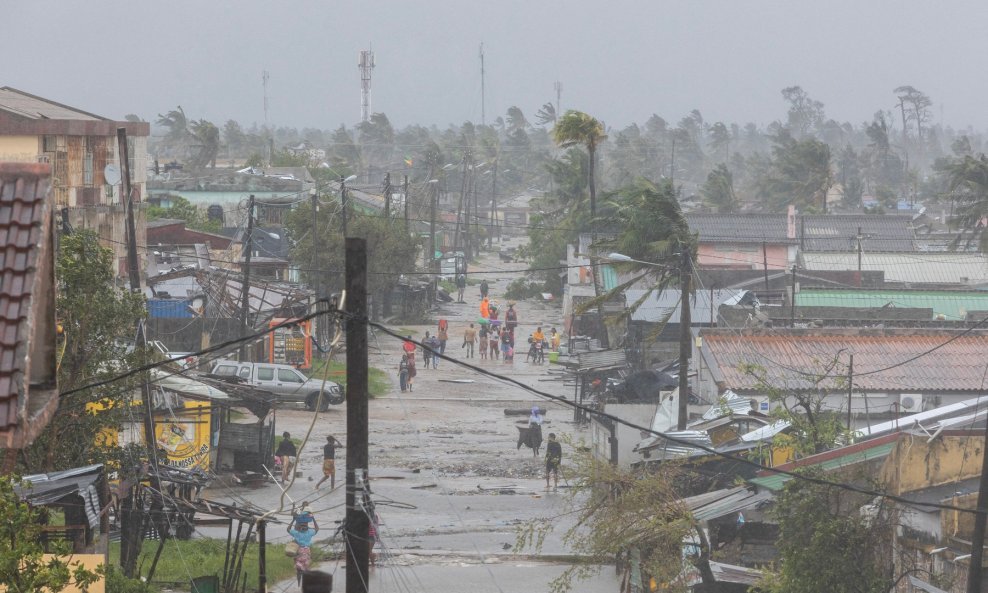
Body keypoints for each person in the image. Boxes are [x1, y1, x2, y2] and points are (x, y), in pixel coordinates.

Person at [288, 507, 319, 585]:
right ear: (307, 527)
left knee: (299, 569)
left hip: (299, 552)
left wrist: (293, 520)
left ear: (299, 527)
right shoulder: (309, 533)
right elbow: (317, 528)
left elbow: (288, 529)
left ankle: (299, 583)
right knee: (306, 568)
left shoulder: (297, 533)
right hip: (307, 552)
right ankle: (306, 584)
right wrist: (314, 519)